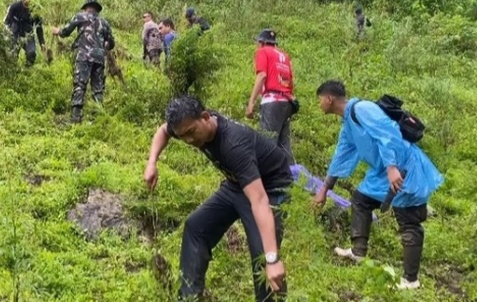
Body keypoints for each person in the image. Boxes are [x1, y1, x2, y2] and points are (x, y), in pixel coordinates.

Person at [143, 95, 290, 302]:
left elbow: (259, 201)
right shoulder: (189, 124)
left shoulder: (233, 144)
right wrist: (152, 163)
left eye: (191, 133)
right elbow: (163, 131)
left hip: (271, 189)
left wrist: (272, 259)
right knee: (196, 227)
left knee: (264, 258)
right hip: (237, 184)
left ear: (205, 117)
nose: (189, 140)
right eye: (182, 136)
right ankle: (189, 297)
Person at [313, 80, 444, 290]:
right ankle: (358, 252)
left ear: (329, 99)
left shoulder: (362, 109)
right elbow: (341, 156)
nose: (319, 104)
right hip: (383, 172)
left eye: (320, 100)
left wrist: (392, 167)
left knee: (409, 220)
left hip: (404, 167)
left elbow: (388, 134)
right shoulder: (348, 123)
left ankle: (411, 279)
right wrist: (324, 189)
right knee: (361, 200)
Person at [52, 0, 115, 123]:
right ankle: (98, 118)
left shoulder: (80, 17)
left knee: (80, 84)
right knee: (98, 88)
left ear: (86, 7)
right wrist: (102, 47)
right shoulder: (104, 22)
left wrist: (57, 31)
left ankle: (75, 117)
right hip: (99, 58)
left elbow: (65, 32)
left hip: (84, 56)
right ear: (97, 9)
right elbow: (111, 43)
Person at [245, 29, 296, 165]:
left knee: (266, 143)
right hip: (287, 102)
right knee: (284, 145)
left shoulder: (263, 52)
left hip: (272, 101)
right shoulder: (284, 55)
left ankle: (268, 180)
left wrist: (251, 102)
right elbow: (291, 81)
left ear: (262, 42)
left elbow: (262, 76)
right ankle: (290, 179)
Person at [4, 0, 46, 67]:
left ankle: (27, 70)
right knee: (12, 57)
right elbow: (7, 22)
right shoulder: (14, 6)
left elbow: (39, 27)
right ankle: (14, 72)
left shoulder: (35, 9)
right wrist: (6, 37)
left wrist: (42, 43)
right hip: (15, 33)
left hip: (28, 34)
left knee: (31, 54)